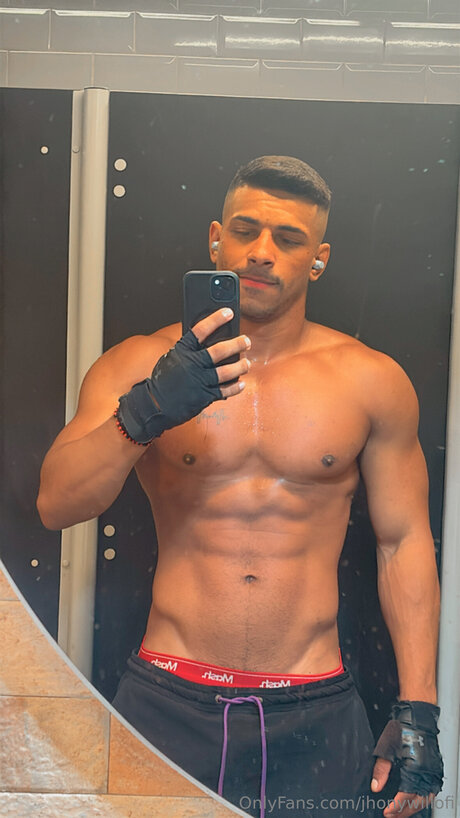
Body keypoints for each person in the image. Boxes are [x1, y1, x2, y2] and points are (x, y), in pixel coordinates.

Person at [37, 156, 443, 818]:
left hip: (314, 708)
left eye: (289, 239)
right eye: (246, 230)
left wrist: (419, 711)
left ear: (319, 259)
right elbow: (57, 503)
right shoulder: (139, 363)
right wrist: (145, 411)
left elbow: (403, 543)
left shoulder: (370, 380)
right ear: (215, 240)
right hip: (169, 699)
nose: (261, 252)